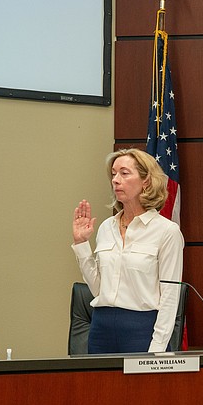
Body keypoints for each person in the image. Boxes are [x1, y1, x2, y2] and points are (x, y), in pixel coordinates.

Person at [71, 148, 184, 353]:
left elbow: (169, 296)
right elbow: (98, 289)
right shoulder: (106, 227)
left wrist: (157, 349)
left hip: (142, 331)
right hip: (101, 329)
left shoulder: (167, 232)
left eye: (124, 173)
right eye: (113, 174)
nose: (115, 180)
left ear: (146, 181)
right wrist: (81, 244)